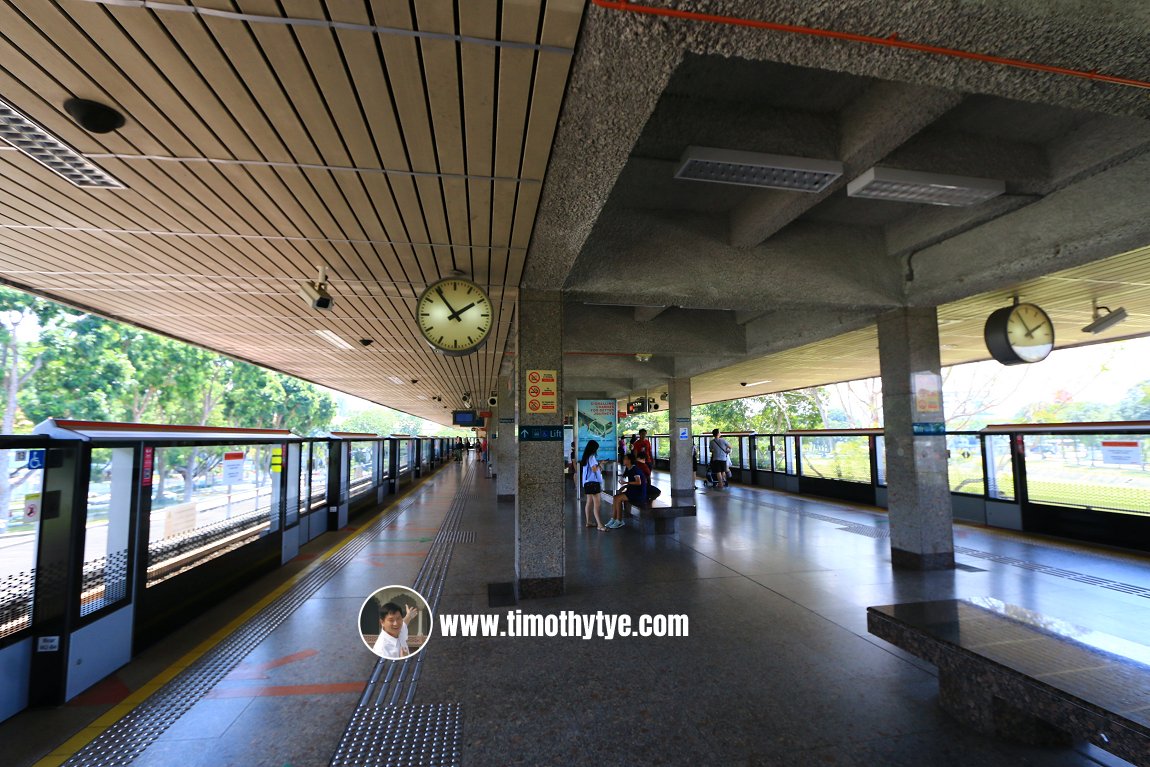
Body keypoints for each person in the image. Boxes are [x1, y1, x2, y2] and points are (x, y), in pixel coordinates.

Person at [608, 454, 648, 529]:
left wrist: (626, 483)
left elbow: (638, 482)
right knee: (615, 498)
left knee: (618, 498)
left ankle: (619, 520)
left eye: (625, 459)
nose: (623, 460)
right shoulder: (628, 468)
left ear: (629, 460)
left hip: (638, 493)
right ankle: (613, 519)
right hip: (633, 491)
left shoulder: (635, 469)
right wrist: (625, 486)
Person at [580, 440, 607, 531]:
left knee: (589, 502)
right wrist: (600, 464)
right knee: (597, 504)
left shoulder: (586, 457)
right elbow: (594, 469)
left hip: (587, 483)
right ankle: (599, 524)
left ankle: (588, 522)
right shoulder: (592, 457)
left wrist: (599, 464)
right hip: (593, 483)